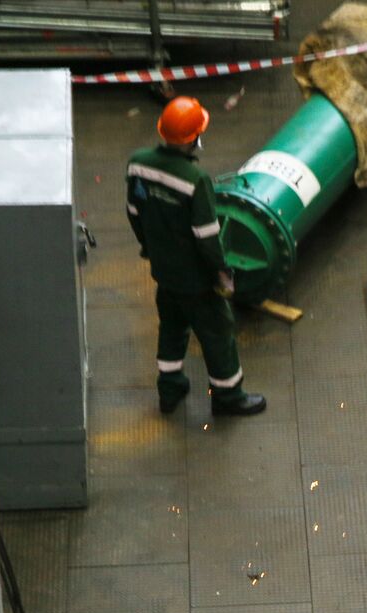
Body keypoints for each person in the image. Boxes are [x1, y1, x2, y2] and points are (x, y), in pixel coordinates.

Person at [127, 96, 266, 416]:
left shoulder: (138, 164)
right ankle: (229, 397)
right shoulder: (195, 180)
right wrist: (222, 272)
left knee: (172, 326)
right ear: (193, 138)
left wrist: (151, 249)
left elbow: (134, 212)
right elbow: (207, 236)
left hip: (164, 271)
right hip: (196, 280)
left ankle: (170, 389)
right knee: (218, 333)